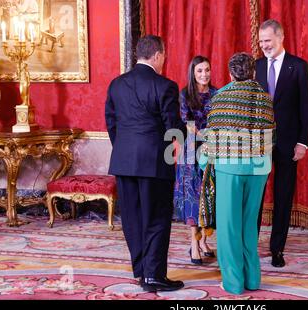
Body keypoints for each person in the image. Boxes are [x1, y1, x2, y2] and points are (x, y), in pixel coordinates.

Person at [105, 35, 186, 292]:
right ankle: (153, 276)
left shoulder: (116, 84)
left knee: (132, 219)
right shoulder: (165, 86)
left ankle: (141, 270)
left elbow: (111, 123)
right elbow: (173, 127)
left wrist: (125, 149)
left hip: (124, 162)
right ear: (158, 55)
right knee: (157, 219)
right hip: (154, 163)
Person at [200, 52, 275, 295]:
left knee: (229, 226)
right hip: (258, 169)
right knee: (249, 226)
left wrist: (204, 162)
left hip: (229, 168)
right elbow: (271, 136)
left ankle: (233, 283)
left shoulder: (220, 96)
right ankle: (253, 279)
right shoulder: (265, 97)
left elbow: (213, 138)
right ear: (253, 72)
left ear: (231, 73)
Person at [256, 19, 308, 268]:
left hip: (288, 143)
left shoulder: (299, 67)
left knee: (283, 196)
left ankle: (277, 248)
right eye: (260, 42)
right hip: (258, 143)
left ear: (281, 38)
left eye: (267, 40)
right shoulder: (255, 66)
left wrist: (303, 142)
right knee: (255, 196)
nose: (263, 46)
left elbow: (306, 107)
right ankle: (250, 244)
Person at [173, 56, 217, 265]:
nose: (204, 75)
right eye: (200, 71)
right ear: (193, 72)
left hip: (211, 149)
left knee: (209, 195)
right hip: (191, 150)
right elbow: (186, 122)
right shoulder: (185, 94)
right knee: (193, 198)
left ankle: (204, 240)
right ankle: (193, 243)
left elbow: (219, 120)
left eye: (207, 70)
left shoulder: (217, 94)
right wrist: (202, 136)